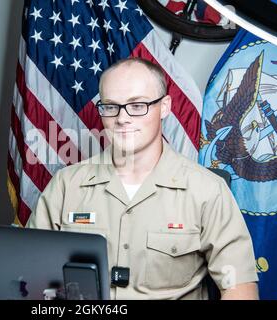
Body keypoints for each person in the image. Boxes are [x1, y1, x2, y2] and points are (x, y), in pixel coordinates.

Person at [26, 57, 259, 300]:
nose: (122, 118)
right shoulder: (66, 186)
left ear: (165, 106)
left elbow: (240, 289)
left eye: (137, 106)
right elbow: (29, 274)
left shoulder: (207, 191)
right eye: (111, 106)